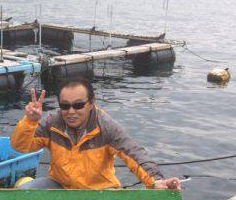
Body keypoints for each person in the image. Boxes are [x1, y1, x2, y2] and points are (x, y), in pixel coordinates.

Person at [10, 77, 180, 191]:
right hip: (60, 185)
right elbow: (21, 146)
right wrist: (30, 121)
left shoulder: (107, 127)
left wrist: (155, 181)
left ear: (91, 103)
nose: (70, 112)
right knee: (23, 191)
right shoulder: (52, 123)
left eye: (78, 105)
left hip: (100, 189)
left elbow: (135, 154)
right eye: (64, 105)